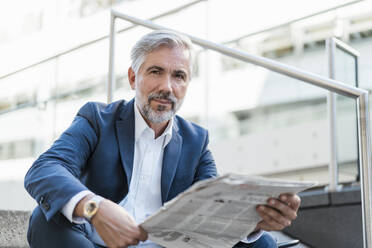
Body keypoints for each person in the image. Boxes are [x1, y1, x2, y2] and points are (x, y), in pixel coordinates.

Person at [24, 30, 300, 248]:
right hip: (92, 242)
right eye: (155, 72)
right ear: (133, 77)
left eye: (178, 76)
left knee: (260, 242)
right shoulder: (97, 119)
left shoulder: (196, 141)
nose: (167, 87)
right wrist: (95, 207)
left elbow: (213, 215)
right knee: (45, 219)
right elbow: (45, 169)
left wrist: (254, 221)